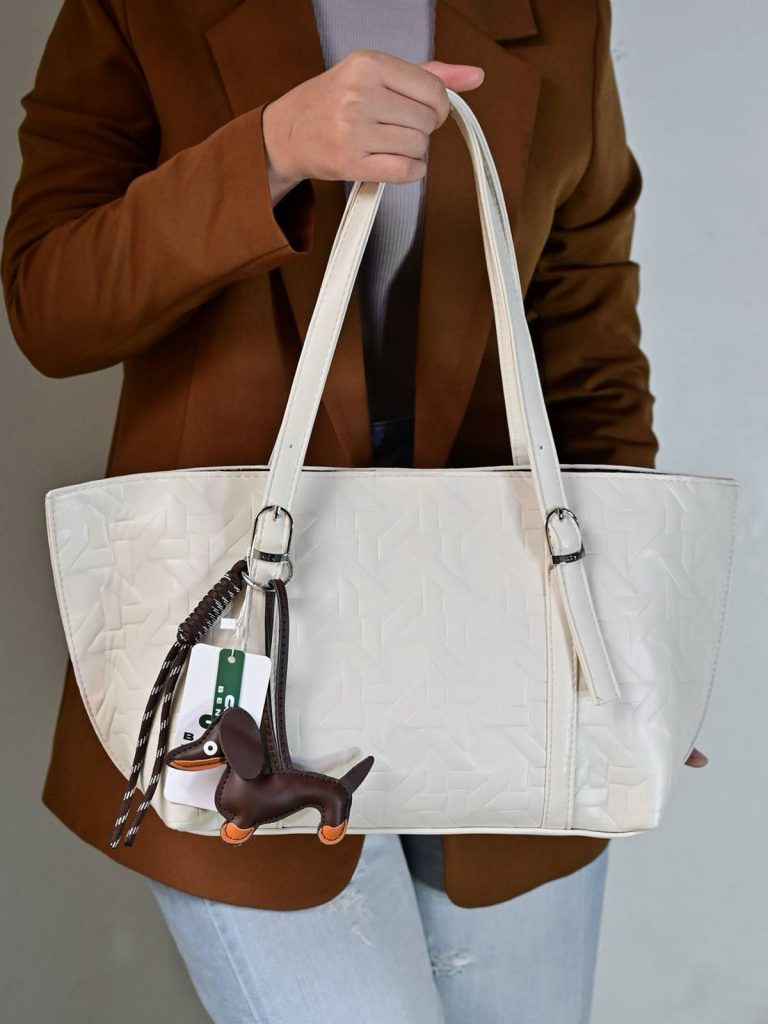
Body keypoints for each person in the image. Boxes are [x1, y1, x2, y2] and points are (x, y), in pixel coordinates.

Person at [1, 1, 708, 1021]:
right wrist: (268, 152)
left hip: (512, 635)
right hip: (235, 638)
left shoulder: (561, 12)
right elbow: (51, 305)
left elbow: (584, 335)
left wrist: (632, 618)